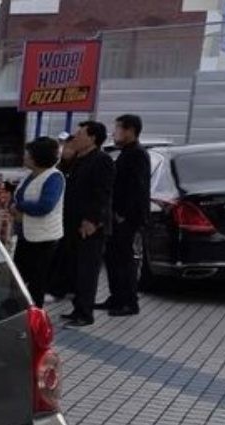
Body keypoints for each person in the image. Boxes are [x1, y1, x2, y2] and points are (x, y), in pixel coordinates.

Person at [60, 121, 115, 327]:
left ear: (92, 138)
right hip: (72, 222)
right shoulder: (78, 159)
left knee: (87, 270)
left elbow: (103, 194)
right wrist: (65, 159)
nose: (75, 137)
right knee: (74, 268)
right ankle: (77, 308)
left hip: (90, 226)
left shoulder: (102, 160)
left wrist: (93, 220)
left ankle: (85, 313)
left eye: (80, 133)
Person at [97, 114, 150, 317]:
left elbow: (136, 188)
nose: (114, 133)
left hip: (127, 218)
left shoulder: (137, 154)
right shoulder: (126, 153)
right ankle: (116, 296)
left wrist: (122, 213)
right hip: (117, 216)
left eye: (118, 128)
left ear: (130, 130)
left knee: (124, 259)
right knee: (113, 258)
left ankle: (129, 301)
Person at [9, 137, 65, 307]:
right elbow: (18, 196)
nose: (25, 156)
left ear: (37, 157)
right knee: (18, 278)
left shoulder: (54, 177)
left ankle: (35, 314)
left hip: (43, 238)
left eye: (28, 153)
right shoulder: (30, 175)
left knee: (37, 282)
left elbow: (45, 205)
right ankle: (19, 309)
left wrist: (19, 207)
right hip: (25, 235)